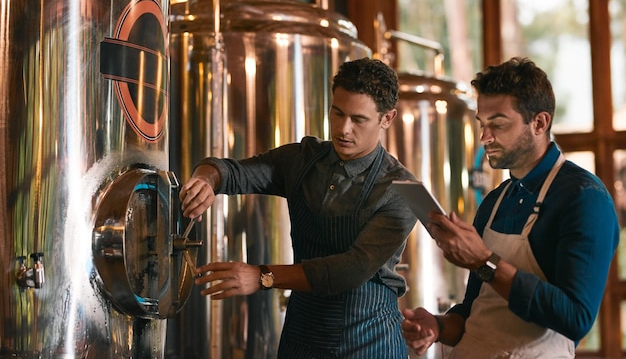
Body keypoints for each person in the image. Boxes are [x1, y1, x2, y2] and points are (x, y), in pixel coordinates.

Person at [180, 57, 418, 358]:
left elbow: (351, 269)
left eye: (358, 120)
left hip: (369, 340)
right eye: (337, 113)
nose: (344, 129)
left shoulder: (399, 189)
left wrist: (262, 276)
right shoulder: (303, 160)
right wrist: (205, 179)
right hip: (303, 334)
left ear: (387, 118)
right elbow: (234, 172)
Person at [401, 57, 619, 358]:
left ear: (540, 123)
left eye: (498, 124)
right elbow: (475, 313)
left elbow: (575, 318)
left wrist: (483, 262)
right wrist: (438, 326)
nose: (484, 137)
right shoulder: (494, 201)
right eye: (482, 124)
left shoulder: (584, 199)